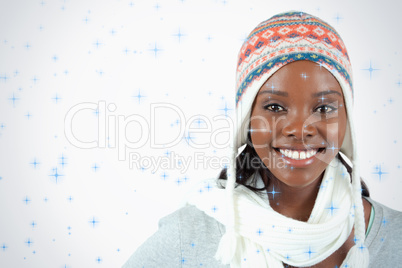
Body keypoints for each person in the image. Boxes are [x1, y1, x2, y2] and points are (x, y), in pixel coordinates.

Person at [123, 11, 402, 268]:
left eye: (323, 108)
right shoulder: (190, 234)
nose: (299, 129)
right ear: (247, 118)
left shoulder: (395, 238)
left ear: (347, 120)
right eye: (275, 107)